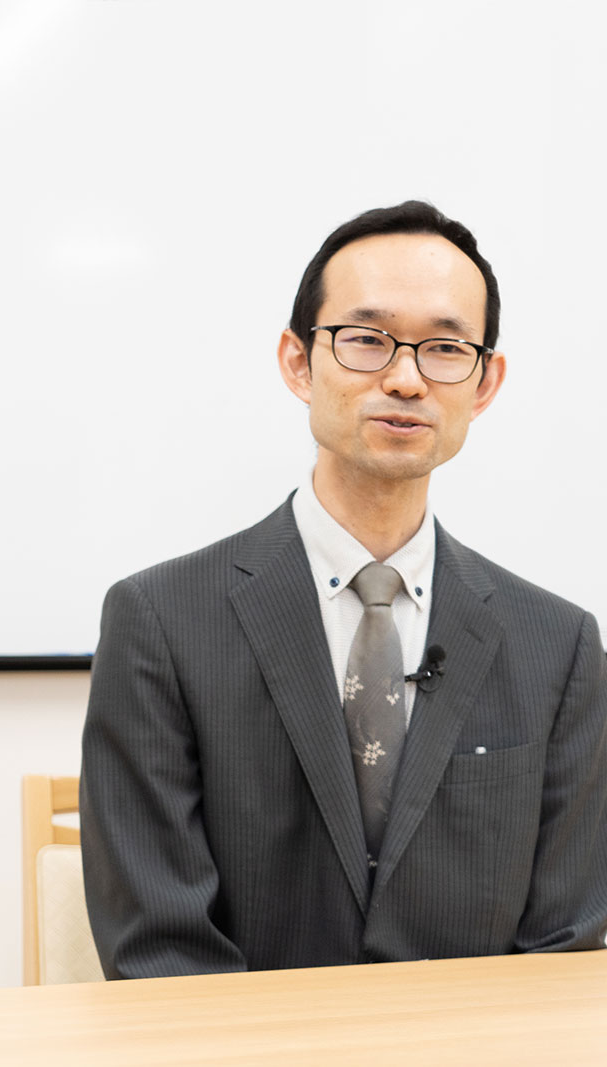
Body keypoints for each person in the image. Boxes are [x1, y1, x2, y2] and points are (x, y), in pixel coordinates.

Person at [79, 201, 607, 978]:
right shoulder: (159, 622)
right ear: (299, 361)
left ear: (485, 382)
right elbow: (160, 952)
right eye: (366, 339)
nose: (405, 377)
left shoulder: (558, 646)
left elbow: (567, 946)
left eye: (445, 347)